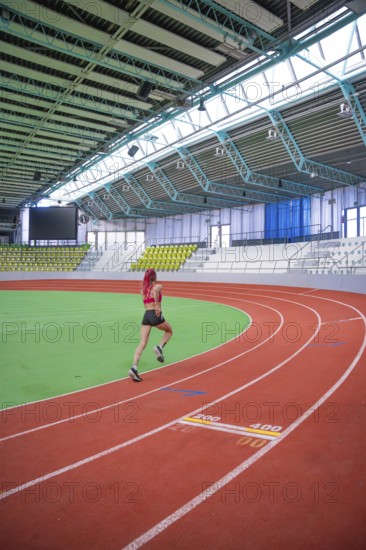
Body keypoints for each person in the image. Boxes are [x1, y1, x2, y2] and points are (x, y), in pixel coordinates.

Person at [129, 268, 173, 382]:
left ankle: (134, 367)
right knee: (169, 331)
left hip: (146, 315)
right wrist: (158, 307)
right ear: (155, 277)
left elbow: (145, 304)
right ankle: (159, 347)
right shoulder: (157, 287)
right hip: (154, 314)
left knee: (142, 343)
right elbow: (156, 293)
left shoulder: (142, 291)